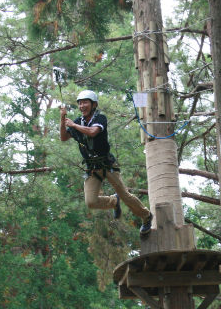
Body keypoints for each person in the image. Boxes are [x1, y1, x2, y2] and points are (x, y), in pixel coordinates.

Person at [60, 90, 153, 235]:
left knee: (125, 195)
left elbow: (92, 132)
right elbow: (64, 137)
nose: (82, 106)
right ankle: (113, 202)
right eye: (80, 103)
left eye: (85, 102)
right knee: (90, 202)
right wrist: (63, 119)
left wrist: (73, 125)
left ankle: (146, 216)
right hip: (92, 168)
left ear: (93, 105)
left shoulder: (100, 119)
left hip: (108, 165)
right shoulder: (78, 122)